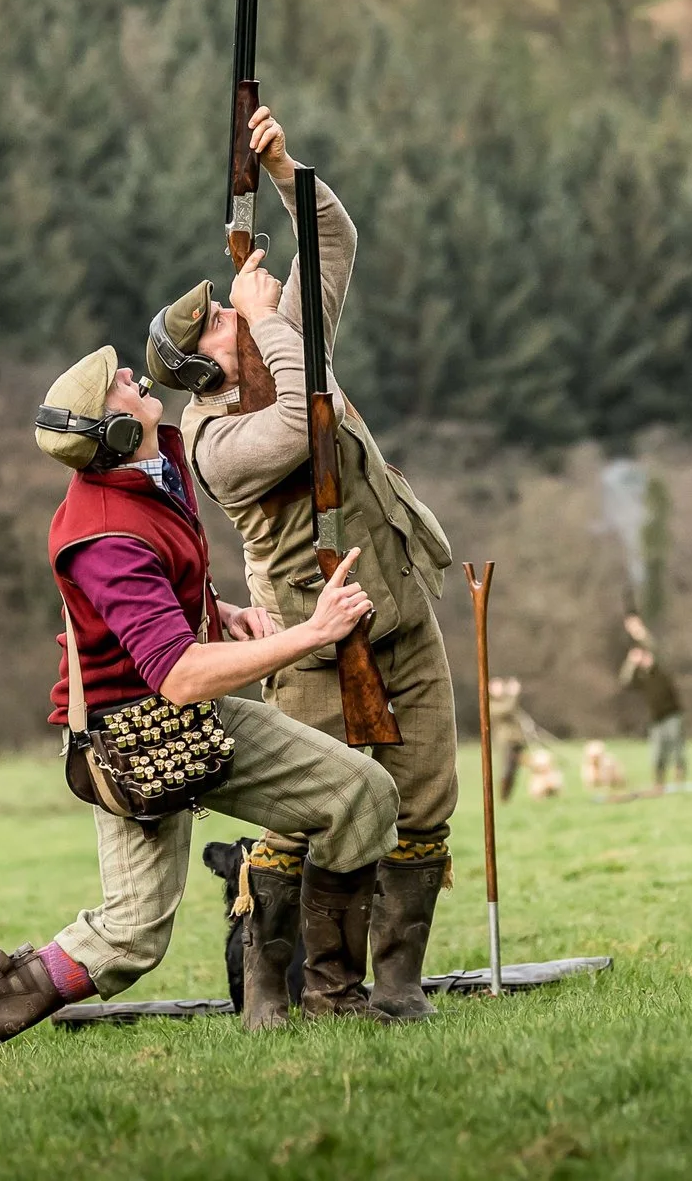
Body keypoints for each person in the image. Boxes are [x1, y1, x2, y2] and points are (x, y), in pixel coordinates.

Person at [0, 347, 399, 1053]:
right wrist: (314, 631)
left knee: (362, 795)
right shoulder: (103, 536)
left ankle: (333, 999)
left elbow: (164, 600)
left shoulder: (157, 464)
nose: (137, 377)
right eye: (122, 385)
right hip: (132, 743)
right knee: (128, 938)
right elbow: (180, 675)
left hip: (193, 717)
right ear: (113, 435)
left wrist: (219, 610)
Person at [148, 107, 461, 1023]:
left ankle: (398, 986)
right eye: (215, 322)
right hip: (314, 641)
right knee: (301, 819)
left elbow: (332, 235)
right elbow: (302, 414)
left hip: (398, 609)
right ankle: (274, 993)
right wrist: (260, 315)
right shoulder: (214, 439)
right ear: (202, 370)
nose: (235, 308)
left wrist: (283, 168)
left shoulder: (279, 342)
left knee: (428, 799)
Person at [619, 613, 689, 791]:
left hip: (672, 713)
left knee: (676, 747)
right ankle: (659, 781)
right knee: (657, 752)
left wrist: (639, 631)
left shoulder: (661, 669)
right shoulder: (641, 677)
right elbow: (624, 682)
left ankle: (680, 777)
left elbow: (654, 648)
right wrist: (630, 662)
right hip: (655, 718)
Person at [489, 675, 529, 799]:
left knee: (514, 770)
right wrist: (513, 694)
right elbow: (506, 710)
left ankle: (508, 796)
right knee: (506, 770)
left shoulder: (508, 701)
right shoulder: (491, 705)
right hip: (506, 741)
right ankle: (503, 797)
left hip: (517, 740)